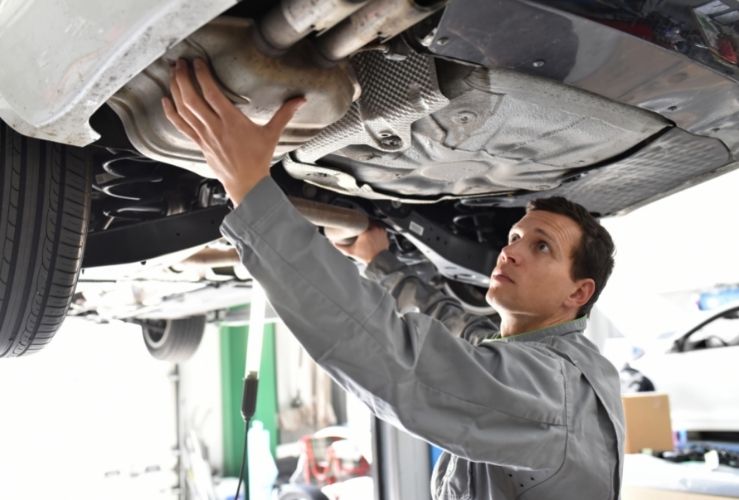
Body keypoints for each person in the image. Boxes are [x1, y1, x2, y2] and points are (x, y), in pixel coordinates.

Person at [163, 58, 625, 499]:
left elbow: (399, 362)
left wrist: (252, 190)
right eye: (515, 236)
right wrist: (381, 262)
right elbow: (451, 327)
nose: (510, 250)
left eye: (540, 246)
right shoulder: (546, 363)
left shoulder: (553, 392)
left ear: (578, 293)